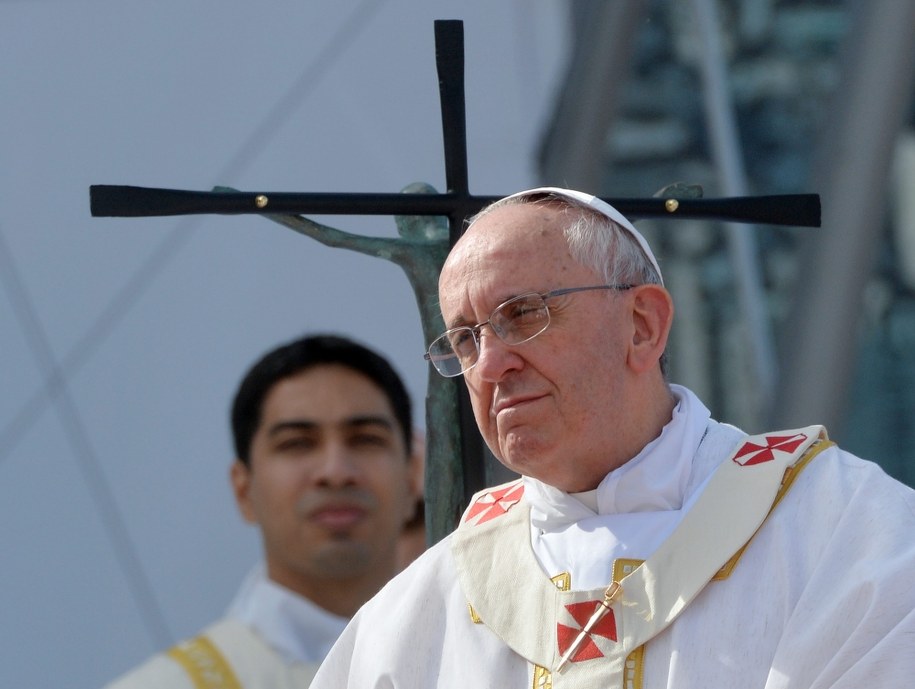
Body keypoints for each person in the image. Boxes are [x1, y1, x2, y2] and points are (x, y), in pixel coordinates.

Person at [312, 187, 915, 688]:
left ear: (642, 325)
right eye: (466, 340)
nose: (490, 365)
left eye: (522, 314)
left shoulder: (843, 530)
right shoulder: (421, 608)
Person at [104, 334, 422, 688]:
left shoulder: (465, 657)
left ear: (413, 478)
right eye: (297, 443)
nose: (335, 471)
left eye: (366, 439)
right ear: (244, 490)